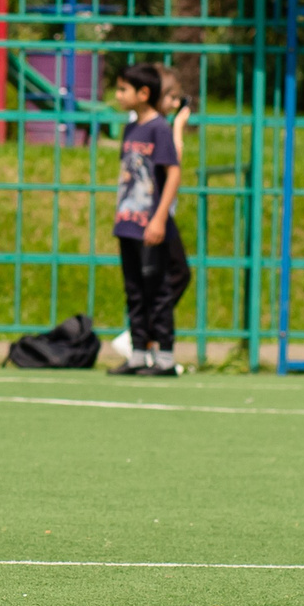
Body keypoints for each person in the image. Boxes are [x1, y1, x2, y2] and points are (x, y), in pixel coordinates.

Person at [109, 62, 190, 377]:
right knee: (135, 290)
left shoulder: (159, 128)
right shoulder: (131, 127)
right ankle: (139, 354)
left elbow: (173, 173)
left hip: (151, 223)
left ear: (144, 93)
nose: (118, 96)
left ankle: (165, 357)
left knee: (158, 291)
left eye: (122, 89)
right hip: (128, 221)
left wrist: (158, 218)